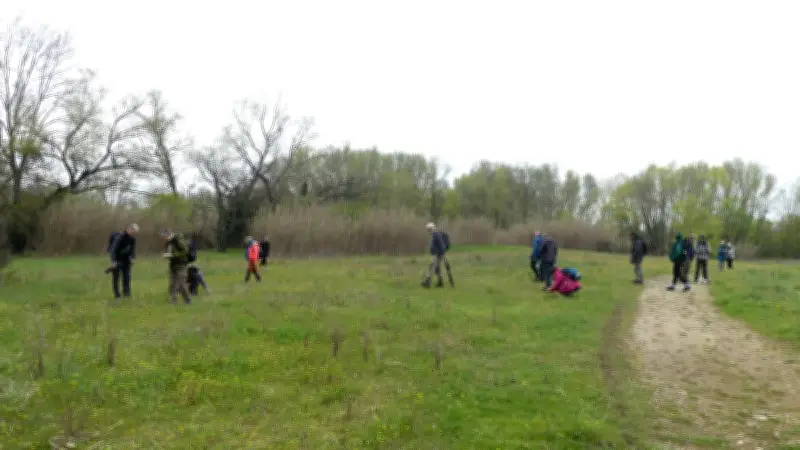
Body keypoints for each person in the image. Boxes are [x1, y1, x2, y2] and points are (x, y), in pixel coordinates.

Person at [160, 229, 192, 304]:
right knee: (172, 285)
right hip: (172, 265)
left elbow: (185, 251)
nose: (164, 238)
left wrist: (173, 255)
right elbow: (168, 253)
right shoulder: (167, 243)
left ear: (169, 234)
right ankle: (173, 301)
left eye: (164, 236)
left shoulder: (178, 240)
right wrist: (166, 256)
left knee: (181, 284)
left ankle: (188, 300)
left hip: (181, 265)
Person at [107, 224, 139, 300]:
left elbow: (133, 250)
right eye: (133, 231)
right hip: (117, 260)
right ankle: (117, 295)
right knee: (116, 278)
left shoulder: (133, 239)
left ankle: (126, 293)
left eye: (135, 232)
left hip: (127, 261)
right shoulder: (120, 238)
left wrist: (133, 258)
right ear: (129, 229)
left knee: (127, 278)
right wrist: (114, 261)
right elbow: (113, 250)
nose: (134, 233)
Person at [421, 222, 454, 288]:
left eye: (429, 229)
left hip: (437, 254)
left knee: (431, 267)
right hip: (437, 254)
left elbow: (441, 245)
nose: (428, 231)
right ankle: (440, 282)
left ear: (432, 228)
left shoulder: (436, 235)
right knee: (437, 268)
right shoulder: (435, 234)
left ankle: (427, 282)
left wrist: (442, 253)